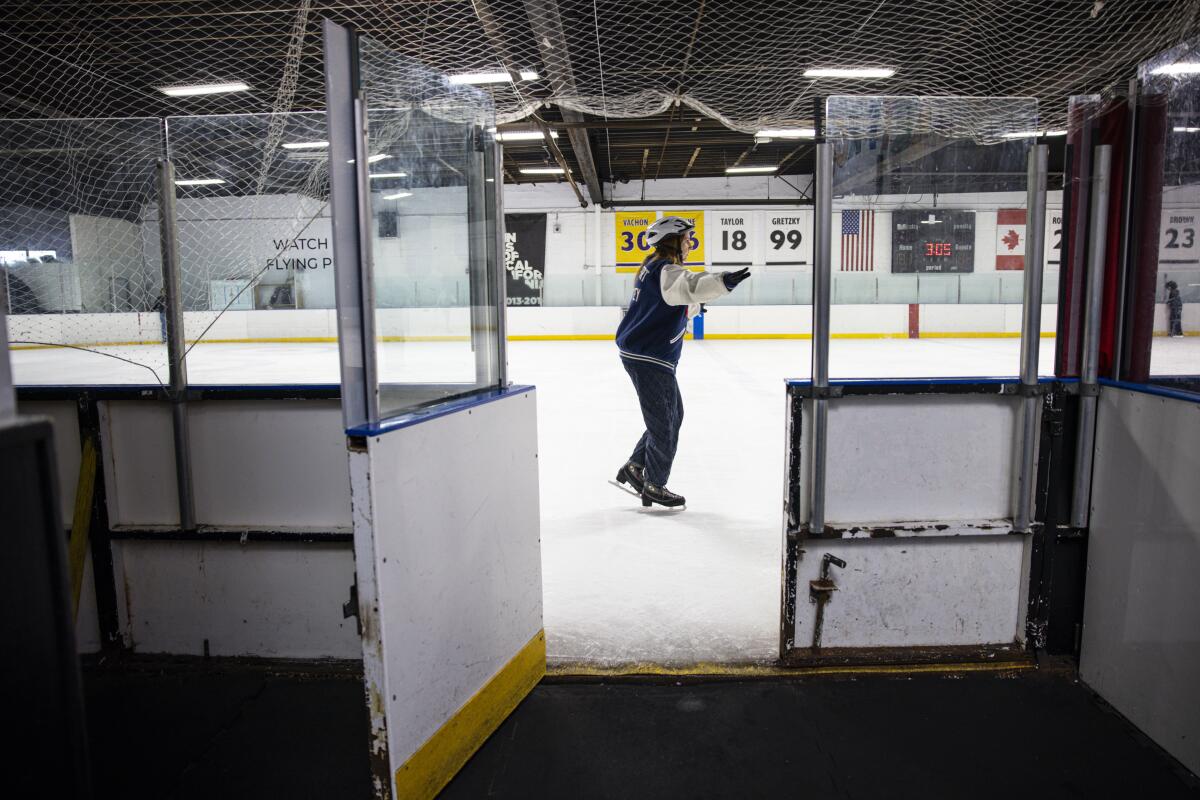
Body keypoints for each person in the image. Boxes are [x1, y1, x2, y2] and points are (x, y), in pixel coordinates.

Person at [614, 216, 751, 508]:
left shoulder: (653, 268)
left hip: (646, 354)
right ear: (672, 240)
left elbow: (670, 303)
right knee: (664, 424)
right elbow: (690, 285)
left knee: (673, 415)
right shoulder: (667, 270)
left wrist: (696, 306)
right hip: (649, 357)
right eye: (687, 238)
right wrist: (722, 281)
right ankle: (654, 484)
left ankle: (635, 467)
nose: (690, 243)